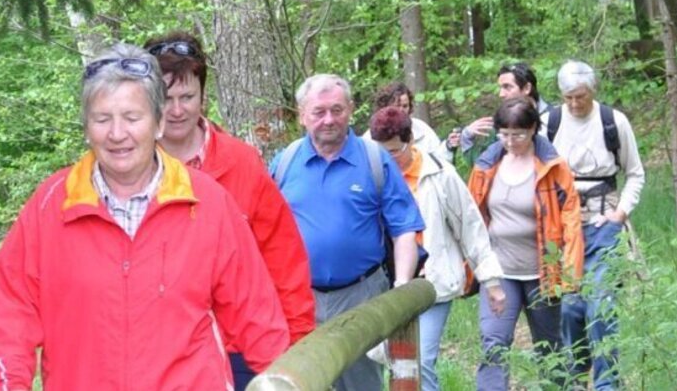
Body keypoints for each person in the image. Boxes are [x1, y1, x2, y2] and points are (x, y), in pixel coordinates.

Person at [0, 43, 289, 390]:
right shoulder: (51, 205)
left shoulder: (207, 203)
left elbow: (258, 318)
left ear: (158, 122)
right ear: (86, 128)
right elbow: (11, 312)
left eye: (132, 117)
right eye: (102, 119)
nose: (117, 134)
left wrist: (288, 381)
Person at [144, 32, 315, 390]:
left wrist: (297, 344)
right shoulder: (129, 168)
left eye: (187, 97)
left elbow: (283, 257)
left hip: (242, 349)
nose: (177, 110)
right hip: (159, 351)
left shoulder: (241, 163)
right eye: (166, 98)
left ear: (203, 97)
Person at [272, 73, 425, 391]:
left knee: (360, 385)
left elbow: (405, 229)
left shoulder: (374, 159)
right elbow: (263, 231)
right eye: (319, 111)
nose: (329, 120)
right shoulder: (284, 163)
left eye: (337, 110)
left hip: (361, 295)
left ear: (351, 109)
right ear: (302, 115)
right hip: (299, 299)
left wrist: (401, 288)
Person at [368, 106, 506, 391]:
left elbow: (470, 225)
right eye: (380, 152)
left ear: (411, 142)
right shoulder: (371, 177)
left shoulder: (439, 173)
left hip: (433, 284)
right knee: (395, 363)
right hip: (385, 286)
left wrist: (491, 280)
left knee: (421, 360)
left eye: (393, 152)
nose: (387, 159)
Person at [467, 96, 583, 391]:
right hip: (499, 272)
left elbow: (570, 220)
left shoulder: (552, 167)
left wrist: (569, 273)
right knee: (494, 343)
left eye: (517, 134)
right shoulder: (485, 165)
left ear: (533, 129)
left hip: (543, 274)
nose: (509, 141)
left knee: (550, 349)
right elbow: (471, 216)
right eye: (503, 134)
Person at [549, 60, 645, 390]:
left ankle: (608, 384)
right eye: (569, 97)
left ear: (593, 91)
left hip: (604, 225)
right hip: (564, 230)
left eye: (581, 96)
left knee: (601, 305)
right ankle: (576, 380)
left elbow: (635, 173)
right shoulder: (552, 122)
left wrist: (620, 215)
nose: (575, 104)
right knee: (571, 309)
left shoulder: (613, 122)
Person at [458, 63, 551, 160]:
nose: (501, 94)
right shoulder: (503, 122)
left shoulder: (555, 119)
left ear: (527, 88)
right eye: (501, 88)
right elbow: (483, 162)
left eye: (507, 87)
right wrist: (467, 135)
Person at [363, 81, 451, 161]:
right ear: (385, 107)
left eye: (405, 106)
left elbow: (440, 161)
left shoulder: (422, 129)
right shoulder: (369, 139)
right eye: (397, 106)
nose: (401, 111)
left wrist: (448, 147)